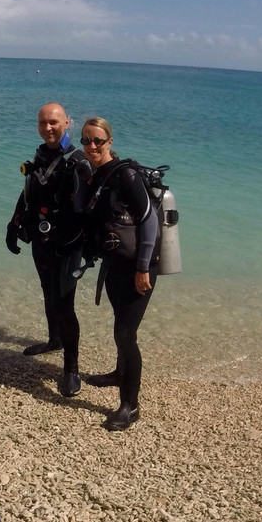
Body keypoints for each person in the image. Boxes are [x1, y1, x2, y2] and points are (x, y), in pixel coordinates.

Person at [78, 117, 160, 431]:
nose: (92, 146)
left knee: (127, 334)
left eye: (98, 140)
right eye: (86, 140)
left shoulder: (124, 174)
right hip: (115, 263)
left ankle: (130, 405)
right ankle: (117, 373)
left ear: (110, 141)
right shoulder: (98, 175)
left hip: (139, 266)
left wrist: (142, 268)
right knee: (120, 326)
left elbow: (149, 222)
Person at [6, 102, 92, 398]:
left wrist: (81, 246)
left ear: (67, 122)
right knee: (48, 293)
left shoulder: (77, 161)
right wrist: (13, 223)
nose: (48, 128)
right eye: (43, 123)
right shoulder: (42, 154)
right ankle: (54, 340)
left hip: (68, 246)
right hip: (42, 242)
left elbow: (87, 213)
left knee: (64, 303)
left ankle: (71, 368)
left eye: (54, 122)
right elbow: (30, 189)